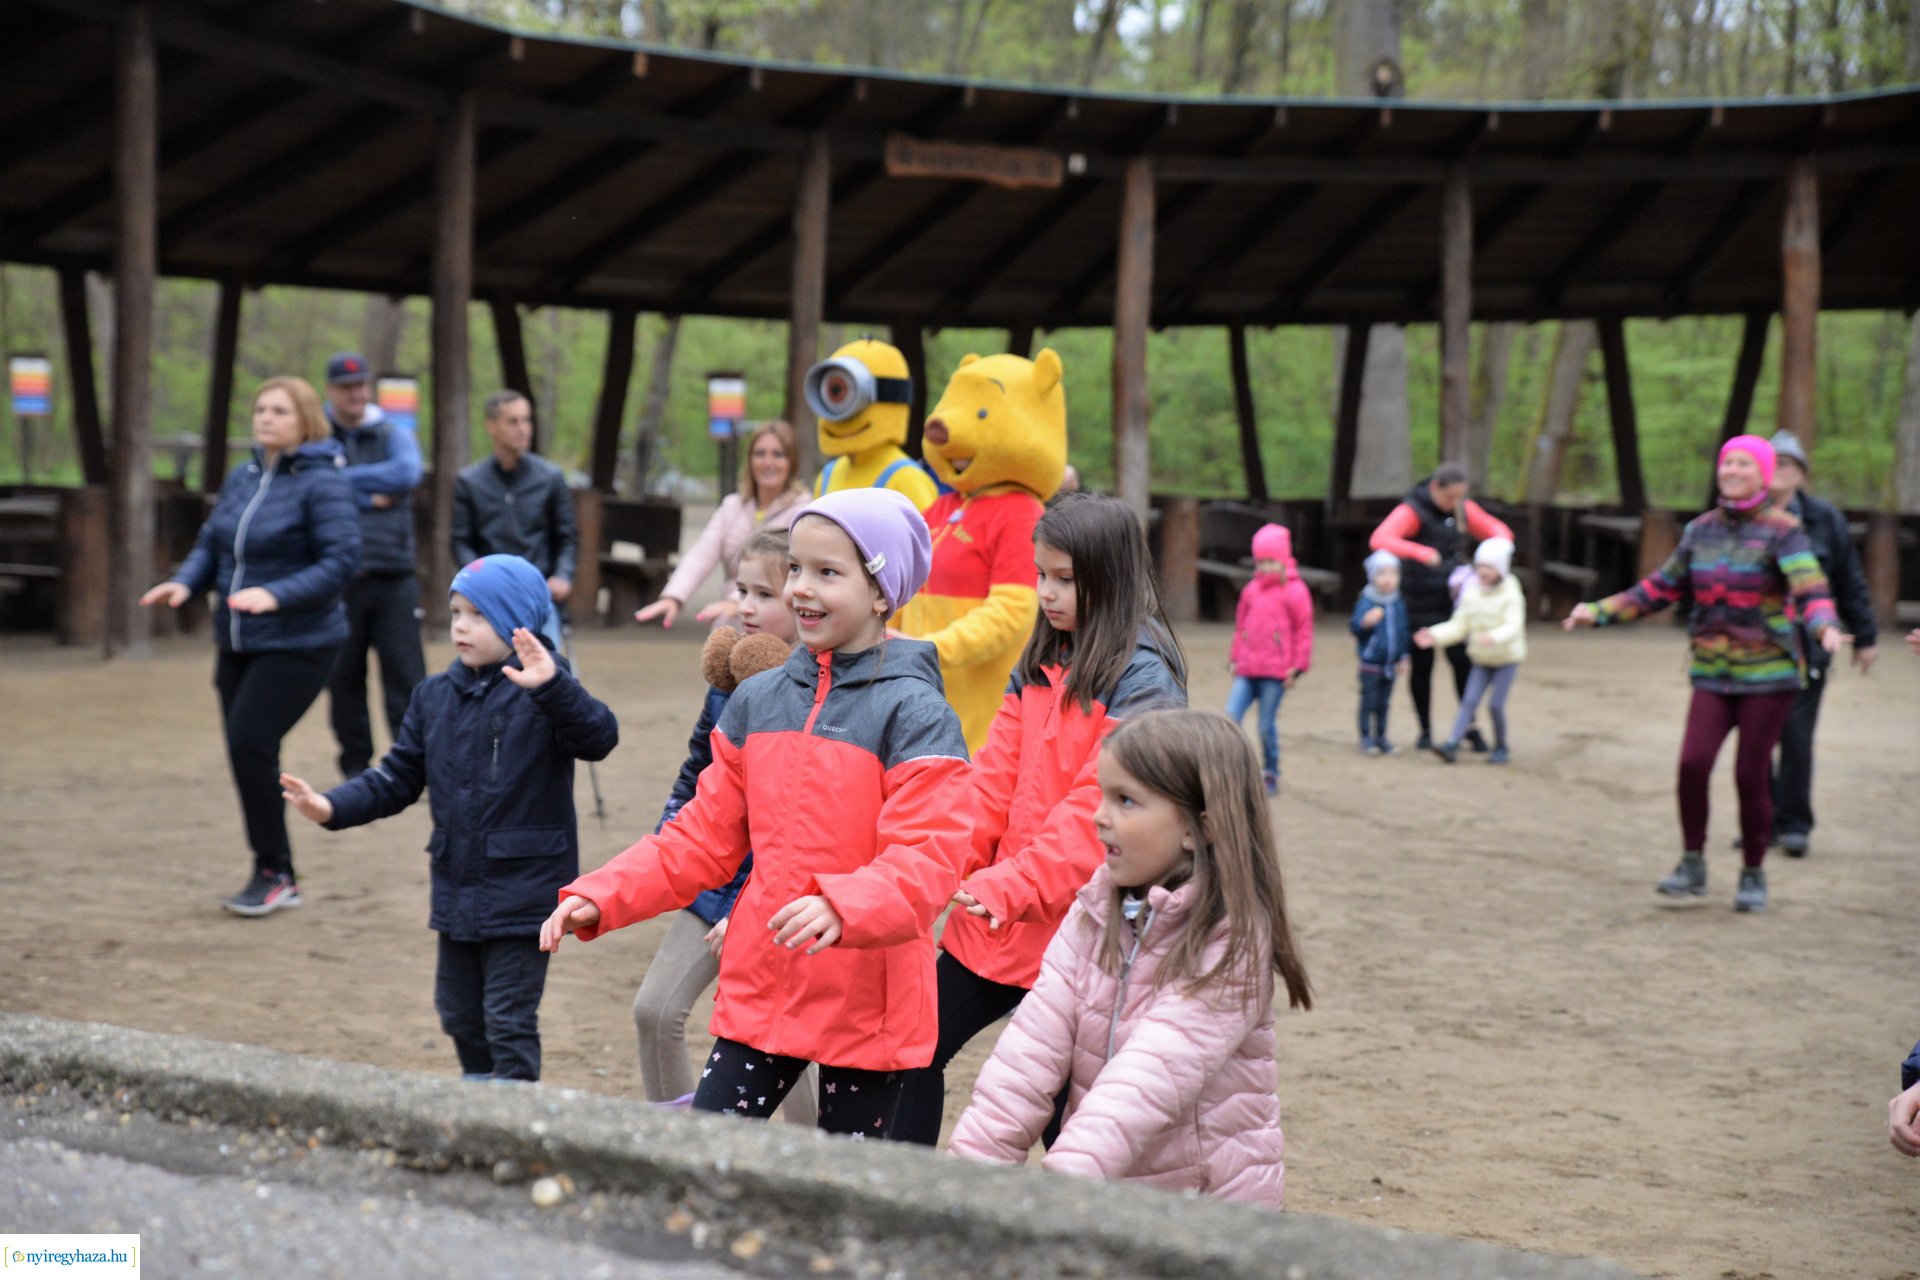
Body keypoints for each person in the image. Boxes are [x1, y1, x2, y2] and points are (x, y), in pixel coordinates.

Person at [540, 488, 971, 1139]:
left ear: (883, 591)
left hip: (867, 1003)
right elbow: (700, 837)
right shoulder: (758, 699)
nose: (802, 588)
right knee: (713, 1163)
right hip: (763, 991)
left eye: (829, 572)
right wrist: (602, 894)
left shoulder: (917, 713)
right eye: (796, 568)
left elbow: (930, 855)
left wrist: (844, 904)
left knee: (844, 1197)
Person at [892, 492, 1187, 1148]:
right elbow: (990, 783)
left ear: (1108, 578)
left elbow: (1101, 815)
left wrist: (1010, 886)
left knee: (1064, 1110)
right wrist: (938, 866)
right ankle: (901, 1202)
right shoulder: (1043, 656)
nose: (1045, 594)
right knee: (912, 1046)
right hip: (1002, 921)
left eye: (1063, 579)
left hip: (1092, 929)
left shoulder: (1144, 679)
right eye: (1040, 575)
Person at [947, 708, 1312, 1206]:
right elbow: (1025, 1061)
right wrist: (967, 1190)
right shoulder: (1093, 912)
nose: (1099, 815)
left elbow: (1140, 1088)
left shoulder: (1232, 946)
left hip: (1203, 1216)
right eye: (1102, 795)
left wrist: (1054, 1197)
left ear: (1198, 828)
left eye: (1125, 801)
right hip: (1111, 1198)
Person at [281, 555, 618, 1081]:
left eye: (479, 615)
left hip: (525, 892)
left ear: (518, 624)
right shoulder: (433, 696)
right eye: (457, 612)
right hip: (457, 886)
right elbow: (395, 779)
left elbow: (599, 737)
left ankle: (514, 1123)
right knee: (460, 1017)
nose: (462, 625)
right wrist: (331, 807)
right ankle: (478, 1104)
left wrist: (552, 685)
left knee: (508, 1020)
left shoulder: (548, 689)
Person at [1565, 435, 1840, 914]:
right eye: (1726, 462)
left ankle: (1753, 871)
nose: (1731, 470)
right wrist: (1599, 611)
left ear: (1763, 473)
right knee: (1693, 764)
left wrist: (1824, 626)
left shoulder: (1784, 530)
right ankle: (1692, 864)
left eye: (1742, 463)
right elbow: (1659, 587)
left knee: (1749, 774)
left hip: (1768, 674)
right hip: (1712, 669)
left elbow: (1810, 586)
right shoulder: (1700, 531)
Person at [140, 377, 360, 917]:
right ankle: (273, 869)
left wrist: (276, 595)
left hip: (302, 642)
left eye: (279, 410)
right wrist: (186, 582)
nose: (265, 418)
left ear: (305, 419)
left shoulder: (322, 483)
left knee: (249, 741)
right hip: (237, 641)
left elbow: (341, 563)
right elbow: (212, 544)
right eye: (260, 408)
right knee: (246, 753)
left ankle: (275, 872)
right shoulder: (244, 476)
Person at [630, 526, 818, 1125]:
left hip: (785, 895)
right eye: (741, 589)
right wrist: (667, 853)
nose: (746, 605)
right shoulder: (726, 682)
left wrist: (749, 906)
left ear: (801, 600)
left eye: (763, 593)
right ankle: (683, 1147)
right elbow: (693, 774)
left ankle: (818, 1168)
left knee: (784, 1044)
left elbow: (803, 824)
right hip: (713, 876)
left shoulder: (820, 693)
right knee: (654, 1011)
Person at [1758, 430, 1877, 858]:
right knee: (1757, 736)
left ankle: (1793, 823)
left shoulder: (1825, 519)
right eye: (1770, 462)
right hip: (1754, 647)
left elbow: (1849, 580)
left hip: (1809, 642)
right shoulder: (1744, 517)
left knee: (1795, 733)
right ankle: (1762, 822)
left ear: (1801, 474)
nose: (1776, 471)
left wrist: (1864, 637)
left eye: (1785, 463)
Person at [320, 351, 427, 780]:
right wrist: (368, 493)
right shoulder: (318, 437)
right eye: (347, 387)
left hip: (394, 573)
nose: (357, 394)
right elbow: (312, 482)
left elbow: (407, 472)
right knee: (343, 676)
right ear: (330, 391)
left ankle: (413, 763)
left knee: (406, 674)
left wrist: (340, 484)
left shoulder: (391, 432)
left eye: (362, 385)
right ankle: (355, 768)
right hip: (339, 579)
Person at [1368, 463, 1514, 751]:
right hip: (1418, 601)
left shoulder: (1460, 507)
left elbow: (1500, 532)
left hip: (1453, 601)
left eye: (1459, 497)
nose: (1454, 503)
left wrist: (1494, 552)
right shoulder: (1412, 510)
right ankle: (1425, 730)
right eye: (1449, 497)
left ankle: (1469, 727)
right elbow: (1380, 539)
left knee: (1463, 663)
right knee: (1422, 667)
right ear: (1435, 488)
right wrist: (1420, 552)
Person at [635, 420, 810, 630]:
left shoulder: (803, 511)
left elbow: (794, 572)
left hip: (778, 624)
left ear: (792, 461)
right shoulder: (732, 506)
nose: (768, 462)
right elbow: (701, 555)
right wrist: (673, 597)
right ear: (750, 460)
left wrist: (738, 601)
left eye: (778, 454)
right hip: (729, 622)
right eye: (760, 453)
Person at [453, 390, 578, 644]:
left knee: (545, 677)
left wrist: (562, 576)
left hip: (539, 598)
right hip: (488, 601)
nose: (523, 429)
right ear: (491, 425)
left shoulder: (550, 478)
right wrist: (480, 580)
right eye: (513, 421)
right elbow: (460, 542)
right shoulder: (470, 481)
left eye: (527, 420)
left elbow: (567, 537)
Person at [1415, 537, 1526, 765]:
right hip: (1481, 657)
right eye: (1481, 566)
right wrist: (1434, 635)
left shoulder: (1511, 592)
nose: (1483, 572)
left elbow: (1514, 625)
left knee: (1495, 705)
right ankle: (1452, 744)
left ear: (1501, 569)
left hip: (1506, 659)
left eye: (1490, 567)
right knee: (1469, 700)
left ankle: (1501, 746)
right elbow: (1459, 624)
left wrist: (1493, 637)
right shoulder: (1472, 591)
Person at [1225, 523, 1313, 795]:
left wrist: (1297, 667)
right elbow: (1242, 627)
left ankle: (1271, 771)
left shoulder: (1296, 591)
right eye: (1260, 561)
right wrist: (1235, 657)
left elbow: (1303, 631)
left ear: (1284, 559)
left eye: (1270, 561)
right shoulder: (1251, 589)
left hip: (1276, 672)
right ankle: (1233, 770)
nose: (1264, 567)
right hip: (1247, 668)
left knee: (1265, 724)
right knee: (1231, 717)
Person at [1352, 549, 1412, 755]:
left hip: (1391, 665)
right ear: (1372, 576)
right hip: (1371, 664)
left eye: (1393, 573)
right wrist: (1365, 622)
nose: (1388, 579)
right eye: (1382, 573)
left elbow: (1403, 632)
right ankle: (1366, 737)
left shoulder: (1398, 603)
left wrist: (1404, 656)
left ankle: (1382, 737)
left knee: (1384, 704)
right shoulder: (1366, 601)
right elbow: (1355, 628)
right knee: (1368, 702)